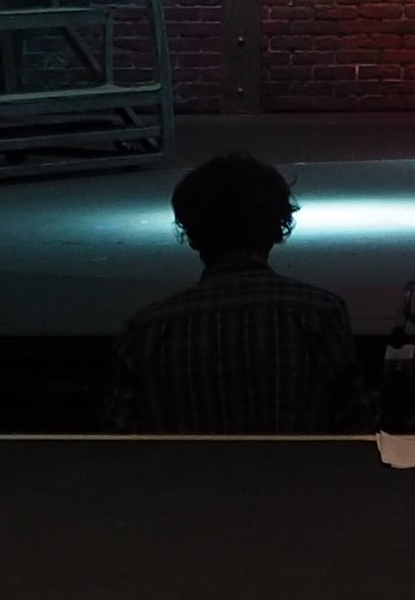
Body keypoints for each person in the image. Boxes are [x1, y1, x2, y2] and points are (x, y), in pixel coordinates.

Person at [103, 152, 372, 431]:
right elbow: (356, 420)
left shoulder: (148, 330)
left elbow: (119, 434)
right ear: (277, 228)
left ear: (192, 234)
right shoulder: (319, 314)